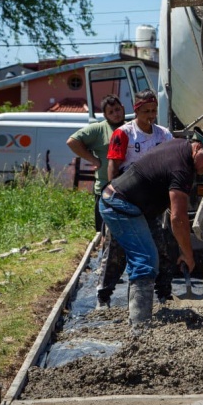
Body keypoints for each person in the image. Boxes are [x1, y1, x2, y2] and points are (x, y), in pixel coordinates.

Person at [98, 128, 203, 331]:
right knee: (145, 260)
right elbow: (178, 219)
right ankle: (139, 327)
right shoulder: (182, 169)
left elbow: (176, 180)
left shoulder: (182, 147)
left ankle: (141, 311)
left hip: (135, 205)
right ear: (198, 147)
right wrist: (188, 254)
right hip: (121, 205)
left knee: (155, 255)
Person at [106, 89, 174, 302]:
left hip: (151, 201)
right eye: (146, 111)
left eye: (154, 111)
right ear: (137, 110)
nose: (151, 115)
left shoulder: (163, 134)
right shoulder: (124, 134)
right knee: (116, 250)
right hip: (126, 197)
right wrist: (112, 195)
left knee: (159, 246)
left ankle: (164, 293)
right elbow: (114, 165)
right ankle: (104, 294)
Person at [66, 94, 127, 307]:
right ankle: (105, 275)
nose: (116, 114)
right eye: (111, 112)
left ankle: (122, 272)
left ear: (123, 108)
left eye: (118, 109)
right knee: (105, 235)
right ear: (105, 115)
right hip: (106, 191)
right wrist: (93, 159)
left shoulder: (130, 128)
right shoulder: (99, 129)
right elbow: (72, 141)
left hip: (129, 191)